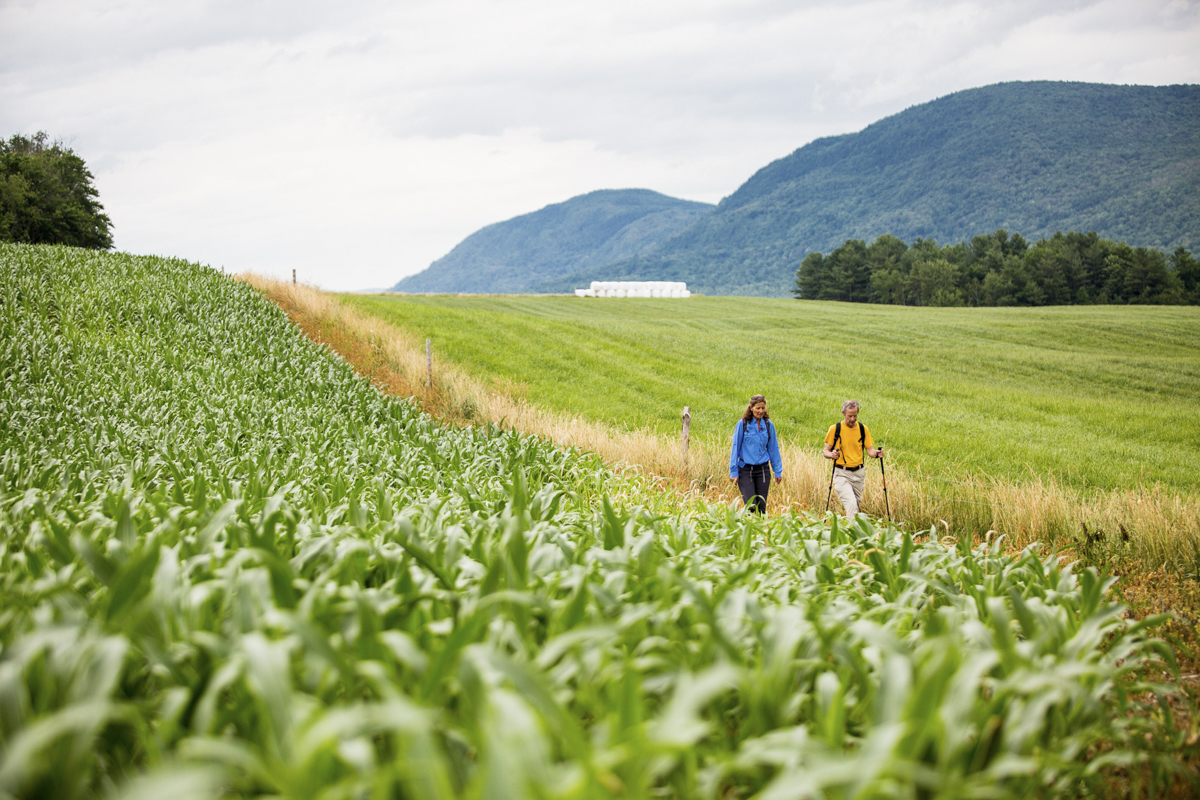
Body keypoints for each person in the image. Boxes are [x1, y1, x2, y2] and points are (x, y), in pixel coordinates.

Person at [822, 399, 884, 518]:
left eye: (855, 416)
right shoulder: (835, 429)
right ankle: (852, 534)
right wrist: (832, 455)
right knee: (851, 505)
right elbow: (825, 451)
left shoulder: (862, 429)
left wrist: (877, 453)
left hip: (859, 474)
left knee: (856, 505)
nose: (852, 419)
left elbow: (870, 450)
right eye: (850, 416)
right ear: (843, 413)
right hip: (841, 473)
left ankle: (845, 530)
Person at [729, 394, 783, 514]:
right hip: (745, 469)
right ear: (751, 408)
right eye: (758, 408)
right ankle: (747, 529)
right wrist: (733, 472)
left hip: (763, 470)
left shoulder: (768, 425)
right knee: (751, 505)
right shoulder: (742, 424)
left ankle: (761, 531)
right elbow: (735, 448)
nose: (760, 411)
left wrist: (777, 471)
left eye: (763, 408)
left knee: (761, 507)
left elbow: (773, 448)